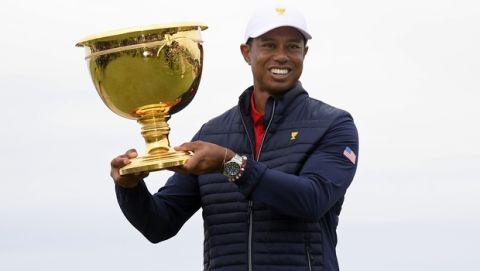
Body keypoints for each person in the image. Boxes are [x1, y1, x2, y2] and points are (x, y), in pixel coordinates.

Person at [111, 5, 359, 271]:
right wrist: (130, 188)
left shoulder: (333, 125)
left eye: (293, 47)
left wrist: (230, 165)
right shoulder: (213, 133)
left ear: (305, 54)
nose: (282, 56)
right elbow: (159, 224)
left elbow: (313, 200)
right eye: (268, 45)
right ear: (246, 53)